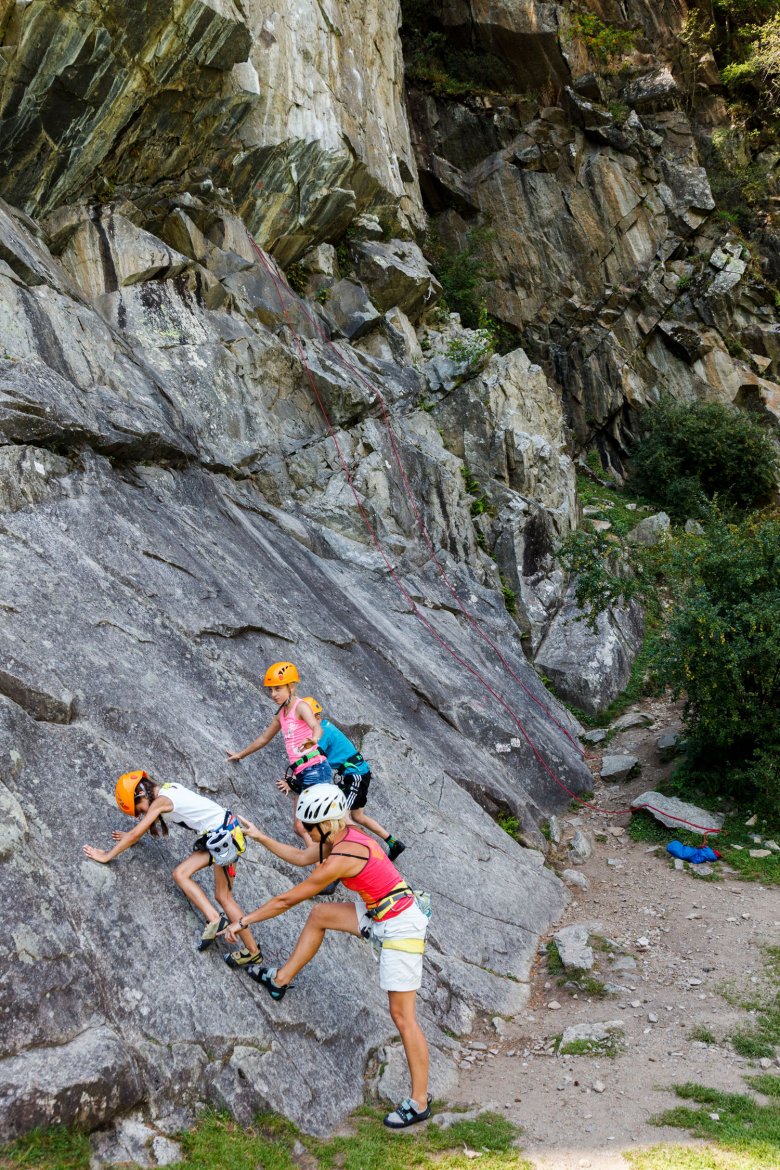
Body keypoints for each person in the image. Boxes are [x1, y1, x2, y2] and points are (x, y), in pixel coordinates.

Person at [222, 784, 431, 1130]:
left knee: (402, 1016)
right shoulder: (342, 836)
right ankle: (280, 980)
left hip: (400, 925)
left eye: (308, 825)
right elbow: (302, 856)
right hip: (381, 910)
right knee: (321, 915)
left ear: (325, 823)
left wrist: (243, 920)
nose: (304, 830)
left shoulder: (342, 856)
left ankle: (419, 1102)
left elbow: (287, 899)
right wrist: (258, 836)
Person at [83, 770, 262, 969]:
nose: (141, 814)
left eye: (139, 810)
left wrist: (107, 855)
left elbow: (136, 833)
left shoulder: (160, 801)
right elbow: (139, 830)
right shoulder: (166, 789)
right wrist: (130, 835)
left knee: (220, 894)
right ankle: (223, 927)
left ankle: (244, 944)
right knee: (197, 882)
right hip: (224, 832)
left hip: (224, 837)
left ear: (141, 795)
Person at [226, 662, 330, 842]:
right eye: (271, 690)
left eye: (277, 689)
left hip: (316, 769)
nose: (273, 694)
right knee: (299, 827)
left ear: (291, 686)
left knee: (319, 826)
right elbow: (264, 738)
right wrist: (240, 755)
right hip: (301, 773)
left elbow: (316, 726)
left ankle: (332, 863)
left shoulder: (301, 706)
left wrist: (314, 738)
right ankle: (322, 862)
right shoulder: (281, 714)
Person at [301, 697, 405, 861]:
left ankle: (366, 853)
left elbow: (314, 758)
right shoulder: (323, 728)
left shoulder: (323, 731)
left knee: (342, 817)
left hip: (354, 775)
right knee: (358, 816)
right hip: (356, 773)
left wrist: (295, 779)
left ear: (318, 718)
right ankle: (394, 843)